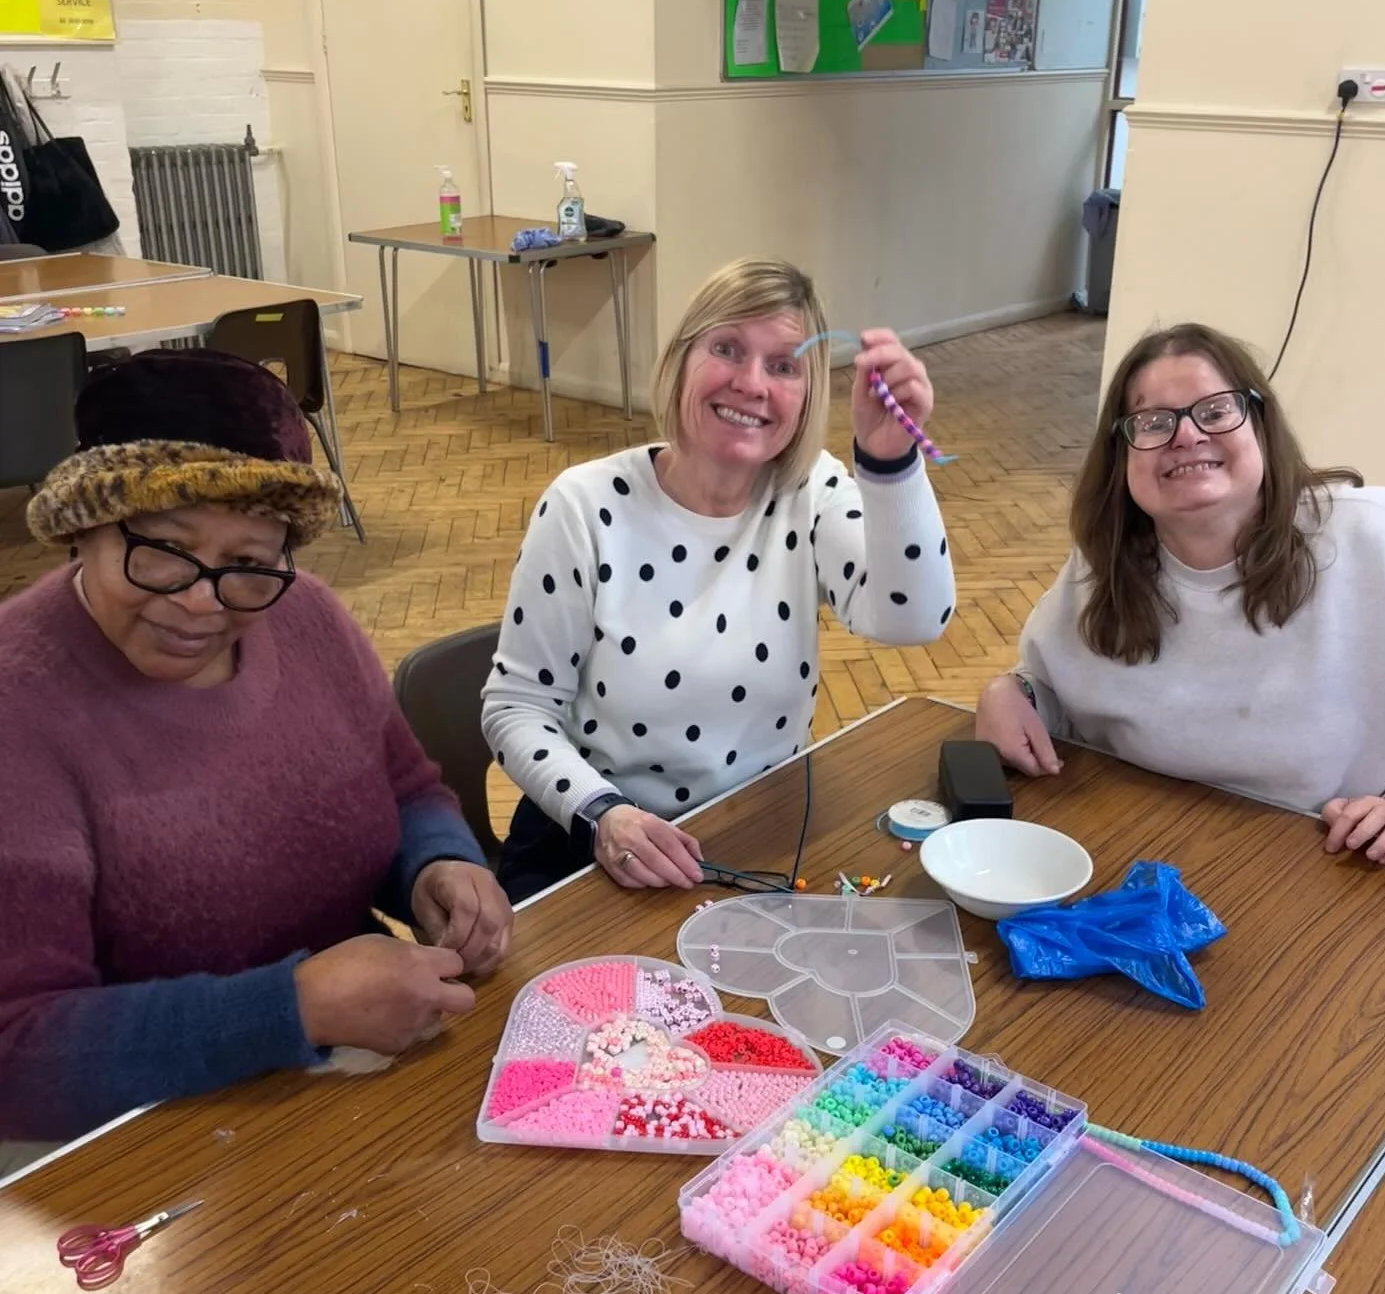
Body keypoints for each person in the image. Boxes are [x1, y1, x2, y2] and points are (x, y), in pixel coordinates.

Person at [0, 348, 513, 1159]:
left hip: (355, 1097)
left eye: (247, 563)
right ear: (84, 524)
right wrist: (293, 1009)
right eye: (164, 548)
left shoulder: (303, 615)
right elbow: (18, 1055)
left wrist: (438, 864)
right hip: (141, 1156)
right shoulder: (18, 705)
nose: (202, 601)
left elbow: (406, 788)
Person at [482, 257, 957, 898]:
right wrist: (604, 815)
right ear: (680, 361)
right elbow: (517, 706)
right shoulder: (584, 505)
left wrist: (889, 458)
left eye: (784, 365)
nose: (751, 383)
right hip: (593, 840)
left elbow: (915, 618)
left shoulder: (809, 490)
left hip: (757, 836)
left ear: (808, 392)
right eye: (727, 348)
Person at [975, 322, 1385, 865]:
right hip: (1140, 840)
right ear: (1122, 454)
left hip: (1336, 859)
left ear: (1260, 425)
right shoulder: (1107, 556)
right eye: (1152, 422)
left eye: (1216, 411)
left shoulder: (1377, 536)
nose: (1186, 436)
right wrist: (1011, 693)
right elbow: (1052, 689)